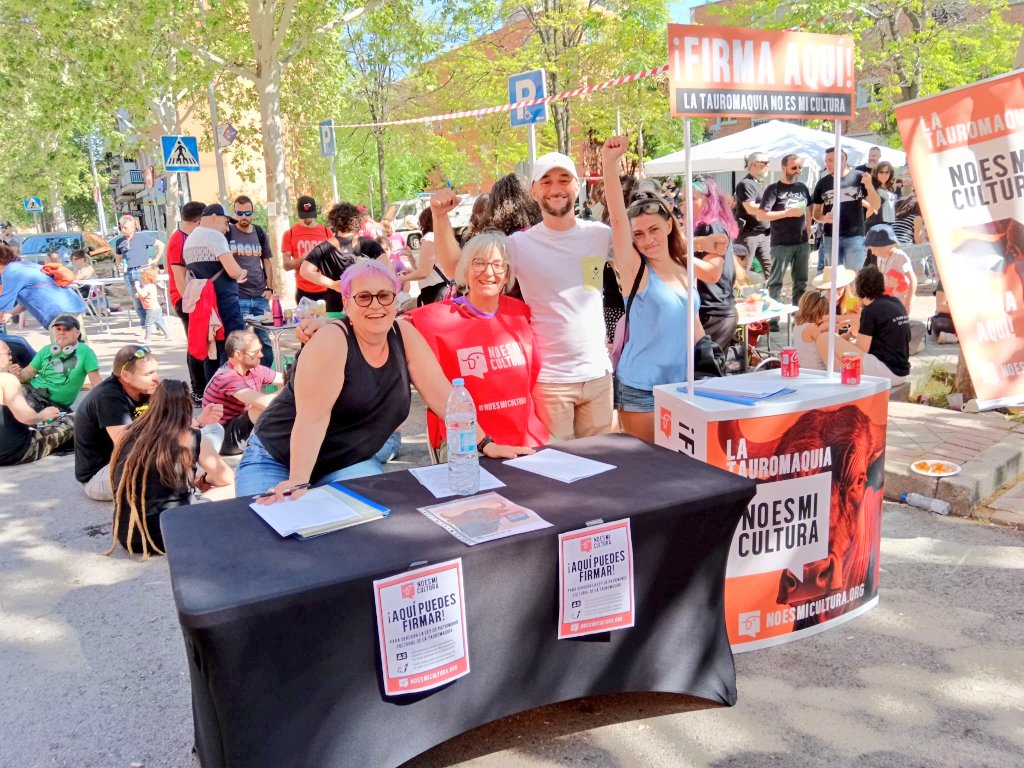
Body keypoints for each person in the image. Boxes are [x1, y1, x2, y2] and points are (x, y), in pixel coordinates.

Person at [236, 260, 533, 500]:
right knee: (271, 533)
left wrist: (485, 443)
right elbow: (311, 419)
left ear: (396, 299)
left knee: (370, 531)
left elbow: (445, 396)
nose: (375, 305)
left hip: (347, 462)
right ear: (347, 303)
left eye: (384, 295)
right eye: (363, 297)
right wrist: (298, 483)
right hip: (278, 457)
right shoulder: (332, 339)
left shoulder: (404, 335)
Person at [432, 153, 616, 442]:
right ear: (534, 192)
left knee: (602, 469)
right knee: (559, 472)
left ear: (577, 186)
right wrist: (440, 217)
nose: (556, 188)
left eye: (564, 179)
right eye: (547, 181)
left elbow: (646, 256)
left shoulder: (599, 235)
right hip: (550, 382)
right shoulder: (519, 244)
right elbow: (458, 268)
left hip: (598, 377)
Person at [601, 137, 715, 442]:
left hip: (682, 387)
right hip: (641, 389)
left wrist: (709, 358)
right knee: (649, 475)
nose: (647, 239)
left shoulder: (684, 267)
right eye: (638, 234)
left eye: (653, 229)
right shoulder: (636, 269)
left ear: (668, 226)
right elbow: (616, 218)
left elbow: (692, 322)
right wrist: (609, 164)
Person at [406, 230, 549, 449]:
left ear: (508, 272)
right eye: (479, 263)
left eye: (498, 265)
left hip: (526, 436)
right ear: (465, 268)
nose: (489, 272)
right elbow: (391, 325)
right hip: (468, 442)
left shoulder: (520, 312)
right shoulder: (435, 319)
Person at [108, 380, 234, 558]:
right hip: (171, 534)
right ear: (187, 408)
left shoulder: (128, 434)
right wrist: (204, 480)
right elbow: (226, 478)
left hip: (129, 536)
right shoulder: (190, 437)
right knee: (232, 488)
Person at [819, 266, 910, 385]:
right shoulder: (895, 303)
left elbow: (861, 350)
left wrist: (843, 338)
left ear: (860, 289)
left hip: (887, 371)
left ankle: (839, 380)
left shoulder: (871, 310)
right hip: (900, 371)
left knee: (825, 338)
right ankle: (841, 376)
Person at [182, 203, 248, 364]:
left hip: (204, 305)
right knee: (234, 348)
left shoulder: (190, 239)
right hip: (224, 303)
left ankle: (213, 388)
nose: (227, 229)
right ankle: (233, 387)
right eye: (226, 223)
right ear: (213, 217)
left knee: (212, 353)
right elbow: (233, 270)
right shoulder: (214, 236)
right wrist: (241, 273)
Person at [202, 330, 283, 455]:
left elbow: (286, 379)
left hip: (238, 428)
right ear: (238, 354)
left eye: (260, 350)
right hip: (222, 439)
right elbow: (265, 403)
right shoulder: (226, 377)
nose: (261, 355)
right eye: (255, 352)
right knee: (260, 408)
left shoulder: (255, 369)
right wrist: (291, 388)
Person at [0, 340, 73, 465]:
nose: (11, 357)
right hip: (16, 452)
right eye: (8, 354)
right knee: (77, 419)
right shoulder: (6, 380)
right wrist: (44, 414)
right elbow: (27, 418)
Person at [11, 314, 101, 411]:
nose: (61, 333)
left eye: (67, 329)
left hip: (52, 405)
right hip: (30, 392)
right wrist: (18, 374)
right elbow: (28, 374)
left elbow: (97, 382)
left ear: (77, 333)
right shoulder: (46, 350)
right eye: (58, 329)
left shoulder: (85, 352)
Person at [689, 175, 738, 349]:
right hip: (713, 310)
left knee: (706, 373)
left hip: (714, 313)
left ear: (708, 201)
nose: (685, 204)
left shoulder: (711, 226)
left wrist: (676, 256)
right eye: (683, 199)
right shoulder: (704, 226)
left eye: (692, 198)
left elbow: (712, 273)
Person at [812, 148, 880, 273]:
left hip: (854, 237)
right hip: (830, 237)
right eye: (826, 160)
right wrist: (823, 218)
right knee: (833, 279)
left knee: (853, 277)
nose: (827, 164)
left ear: (842, 159)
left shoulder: (859, 177)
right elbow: (815, 213)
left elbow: (875, 205)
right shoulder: (822, 183)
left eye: (831, 160)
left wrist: (869, 185)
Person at [165, 200, 207, 402]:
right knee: (196, 345)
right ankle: (198, 390)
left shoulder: (186, 237)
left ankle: (201, 387)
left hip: (191, 299)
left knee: (200, 343)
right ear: (198, 221)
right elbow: (178, 275)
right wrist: (190, 303)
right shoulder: (179, 240)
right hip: (186, 300)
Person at [759, 153, 813, 306]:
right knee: (775, 282)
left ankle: (798, 316)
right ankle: (774, 318)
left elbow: (809, 206)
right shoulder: (773, 189)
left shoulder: (802, 187)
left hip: (802, 242)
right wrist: (786, 213)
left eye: (800, 168)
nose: (798, 171)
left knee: (801, 282)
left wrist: (808, 226)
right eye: (794, 167)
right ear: (784, 168)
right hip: (781, 244)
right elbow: (762, 215)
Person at [228, 195, 275, 367]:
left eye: (247, 213)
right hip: (238, 297)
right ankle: (242, 378)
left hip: (260, 296)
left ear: (253, 212)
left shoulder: (260, 233)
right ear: (235, 212)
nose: (243, 217)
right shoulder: (228, 232)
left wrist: (270, 288)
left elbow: (267, 262)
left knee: (266, 341)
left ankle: (265, 375)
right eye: (240, 213)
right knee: (239, 343)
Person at [0, 243, 87, 330]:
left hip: (59, 312)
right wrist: (11, 313)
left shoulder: (11, 271)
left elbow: (4, 301)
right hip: (70, 306)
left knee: (66, 343)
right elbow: (26, 301)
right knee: (77, 342)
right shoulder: (25, 265)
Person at [299, 202, 364, 315]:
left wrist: (333, 284)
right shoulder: (368, 244)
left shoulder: (323, 247)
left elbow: (305, 271)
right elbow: (387, 267)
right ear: (356, 222)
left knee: (336, 332)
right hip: (363, 304)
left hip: (335, 307)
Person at [114, 215, 164, 326]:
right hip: (128, 273)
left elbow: (160, 244)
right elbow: (118, 257)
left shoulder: (141, 237)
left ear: (133, 228)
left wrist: (156, 259)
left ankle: (159, 326)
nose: (123, 230)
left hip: (142, 271)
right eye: (121, 227)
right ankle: (146, 325)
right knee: (137, 301)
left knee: (149, 300)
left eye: (126, 227)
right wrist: (118, 265)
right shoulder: (119, 241)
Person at [282, 196, 333, 305]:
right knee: (305, 322)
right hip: (303, 290)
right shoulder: (290, 234)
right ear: (298, 213)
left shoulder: (326, 232)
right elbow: (286, 265)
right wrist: (304, 258)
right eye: (304, 216)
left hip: (325, 288)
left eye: (310, 216)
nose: (308, 219)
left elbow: (333, 261)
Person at [405, 208, 457, 306]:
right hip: (443, 289)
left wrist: (402, 279)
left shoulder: (429, 238)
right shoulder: (442, 237)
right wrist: (410, 256)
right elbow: (421, 269)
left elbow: (423, 273)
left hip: (435, 291)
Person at [733, 152, 772, 274]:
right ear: (753, 165)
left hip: (764, 234)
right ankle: (737, 293)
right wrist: (774, 207)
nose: (768, 166)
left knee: (771, 270)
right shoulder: (746, 184)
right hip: (749, 235)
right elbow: (750, 207)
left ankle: (773, 293)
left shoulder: (759, 183)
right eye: (765, 163)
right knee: (742, 270)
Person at [790, 291, 830, 372]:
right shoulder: (812, 328)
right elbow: (830, 347)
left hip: (804, 370)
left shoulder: (798, 325)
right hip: (818, 372)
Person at [135, 267, 171, 342]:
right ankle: (168, 336)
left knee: (148, 324)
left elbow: (143, 295)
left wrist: (137, 287)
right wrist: (138, 294)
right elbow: (146, 295)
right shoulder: (152, 286)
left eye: (142, 277)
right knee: (159, 322)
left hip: (151, 309)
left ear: (146, 278)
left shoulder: (148, 287)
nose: (140, 279)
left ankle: (147, 339)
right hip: (156, 308)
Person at [866, 161, 897, 229]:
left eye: (887, 172)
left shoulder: (891, 188)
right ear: (876, 173)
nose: (884, 175)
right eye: (881, 172)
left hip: (891, 224)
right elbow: (869, 206)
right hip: (875, 224)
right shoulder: (872, 187)